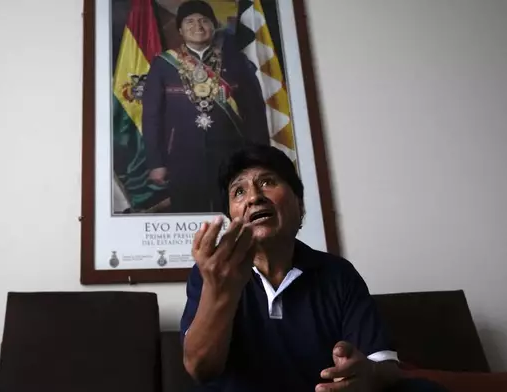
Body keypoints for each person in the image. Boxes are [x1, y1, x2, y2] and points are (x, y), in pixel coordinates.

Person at [181, 144, 449, 391]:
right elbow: (200, 369)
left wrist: (366, 373)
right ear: (232, 219)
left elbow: (386, 367)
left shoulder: (338, 274)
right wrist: (220, 291)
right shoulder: (211, 274)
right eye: (239, 191)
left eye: (267, 182)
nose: (253, 197)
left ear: (300, 204)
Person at [142, 0, 270, 214]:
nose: (198, 26)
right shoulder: (163, 64)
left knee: (233, 212)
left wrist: (259, 155)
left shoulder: (236, 61)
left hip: (232, 153)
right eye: (190, 22)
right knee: (187, 214)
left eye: (204, 20)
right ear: (180, 30)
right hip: (181, 156)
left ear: (213, 25)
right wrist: (156, 161)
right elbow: (152, 116)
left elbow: (254, 111)